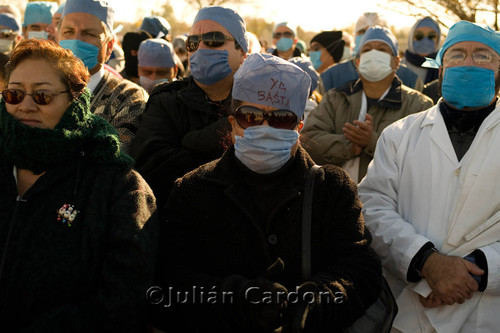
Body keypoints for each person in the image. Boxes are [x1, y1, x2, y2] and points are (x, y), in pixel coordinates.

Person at [150, 52, 382, 332]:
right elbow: (171, 279)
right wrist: (237, 300)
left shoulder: (331, 188)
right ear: (233, 120)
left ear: (299, 125)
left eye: (281, 118)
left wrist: (312, 304)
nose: (264, 127)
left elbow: (361, 269)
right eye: (251, 116)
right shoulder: (192, 189)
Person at [0, 39, 157, 332]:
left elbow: (124, 298)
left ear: (74, 101)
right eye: (14, 94)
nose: (26, 105)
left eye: (43, 95)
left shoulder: (118, 187)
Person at [358, 21, 500, 332]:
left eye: (482, 56)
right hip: (408, 310)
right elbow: (373, 206)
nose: (468, 63)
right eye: (456, 55)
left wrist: (480, 271)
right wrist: (425, 261)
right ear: (440, 69)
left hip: (487, 313)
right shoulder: (399, 135)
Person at [132, 6, 248, 208]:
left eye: (214, 40)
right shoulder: (166, 100)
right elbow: (152, 171)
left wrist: (190, 144)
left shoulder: (258, 104)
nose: (201, 48)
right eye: (193, 42)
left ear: (242, 53)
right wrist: (222, 139)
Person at [301, 26, 433, 183]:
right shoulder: (336, 98)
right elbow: (309, 140)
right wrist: (348, 146)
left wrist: (373, 142)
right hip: (337, 201)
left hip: (390, 202)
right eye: (367, 50)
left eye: (382, 50)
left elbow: (421, 157)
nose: (373, 54)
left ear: (396, 62)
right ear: (357, 61)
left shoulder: (418, 106)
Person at [58, 0, 148, 155]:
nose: (76, 40)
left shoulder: (128, 97)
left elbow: (113, 161)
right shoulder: (40, 87)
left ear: (110, 45)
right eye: (68, 32)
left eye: (89, 34)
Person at [319, 12, 423, 94]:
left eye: (378, 31)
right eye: (363, 32)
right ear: (355, 36)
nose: (370, 36)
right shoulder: (330, 77)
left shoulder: (411, 79)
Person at [401, 16, 441, 85]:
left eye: (431, 36)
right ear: (411, 38)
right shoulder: (399, 67)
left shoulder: (444, 69)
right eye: (419, 36)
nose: (425, 41)